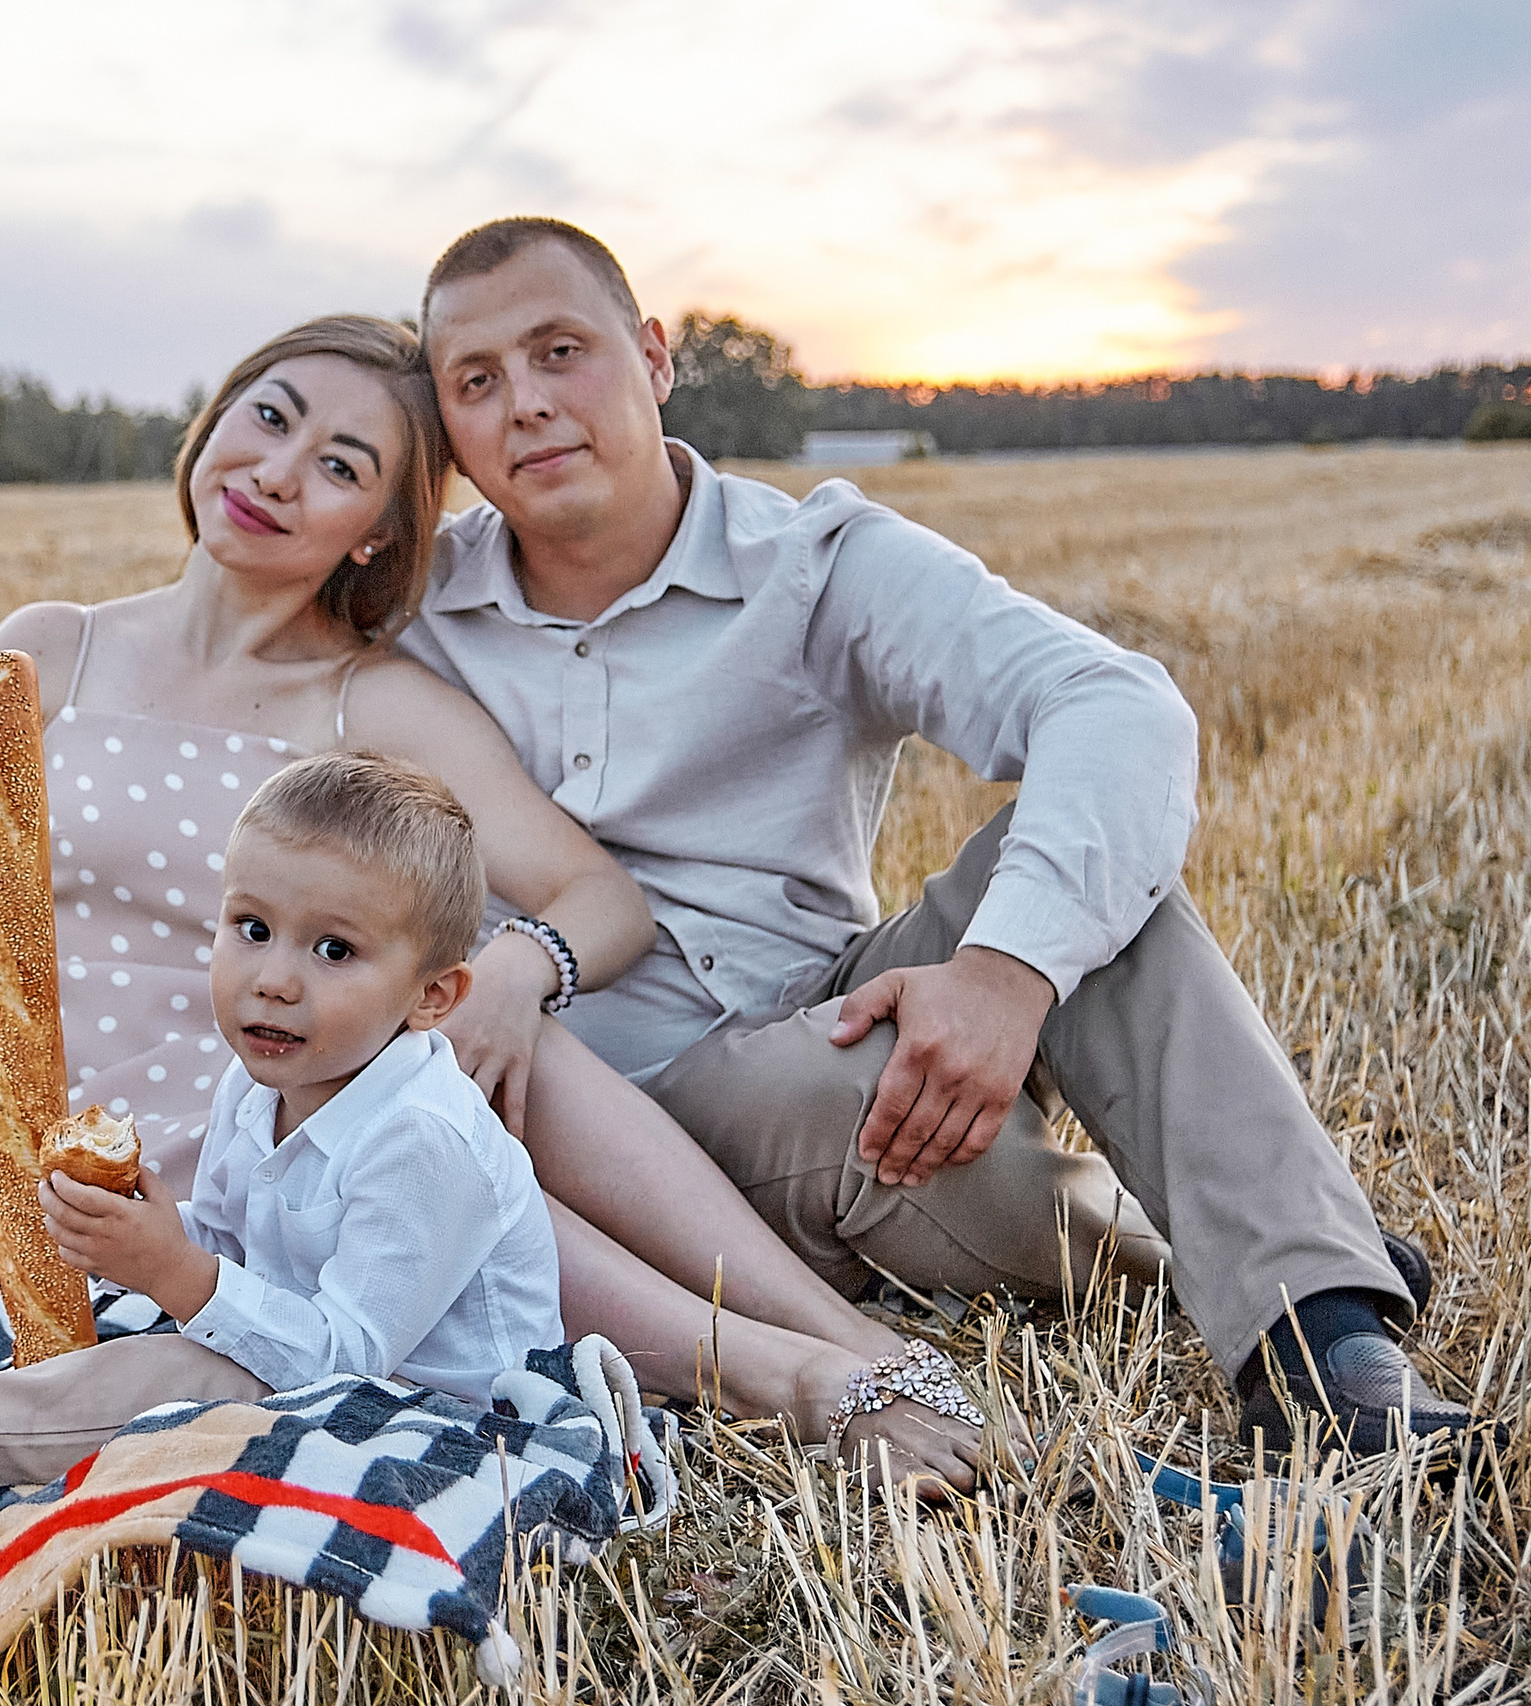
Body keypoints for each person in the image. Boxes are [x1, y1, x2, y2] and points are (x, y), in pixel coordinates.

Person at [368, 214, 1473, 1457]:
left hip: (824, 1009)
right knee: (845, 1093)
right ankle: (1230, 1242)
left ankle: (1324, 1339)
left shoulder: (812, 563)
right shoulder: (411, 615)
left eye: (559, 351)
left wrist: (1004, 971)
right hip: (603, 1113)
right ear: (445, 425)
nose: (524, 401)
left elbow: (1111, 704)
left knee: (1092, 882)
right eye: (476, 380)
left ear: (655, 356)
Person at [0, 313, 995, 1492]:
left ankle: (838, 1349)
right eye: (269, 417)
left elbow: (599, 895)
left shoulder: (374, 700)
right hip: (110, 1173)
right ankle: (782, 1369)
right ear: (213, 420)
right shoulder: (51, 647)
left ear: (378, 531)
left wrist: (517, 970)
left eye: (339, 465)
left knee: (446, 1106)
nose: (277, 471)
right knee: (433, 1152)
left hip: (299, 1119)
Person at [0, 753, 562, 1504]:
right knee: (119, 1353)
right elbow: (231, 1243)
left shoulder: (422, 1141)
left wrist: (172, 1270)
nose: (273, 979)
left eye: (334, 951)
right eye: (253, 929)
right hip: (297, 1359)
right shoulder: (259, 1083)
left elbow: (347, 1360)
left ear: (433, 997)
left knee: (174, 1374)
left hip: (436, 1422)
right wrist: (124, 1232)